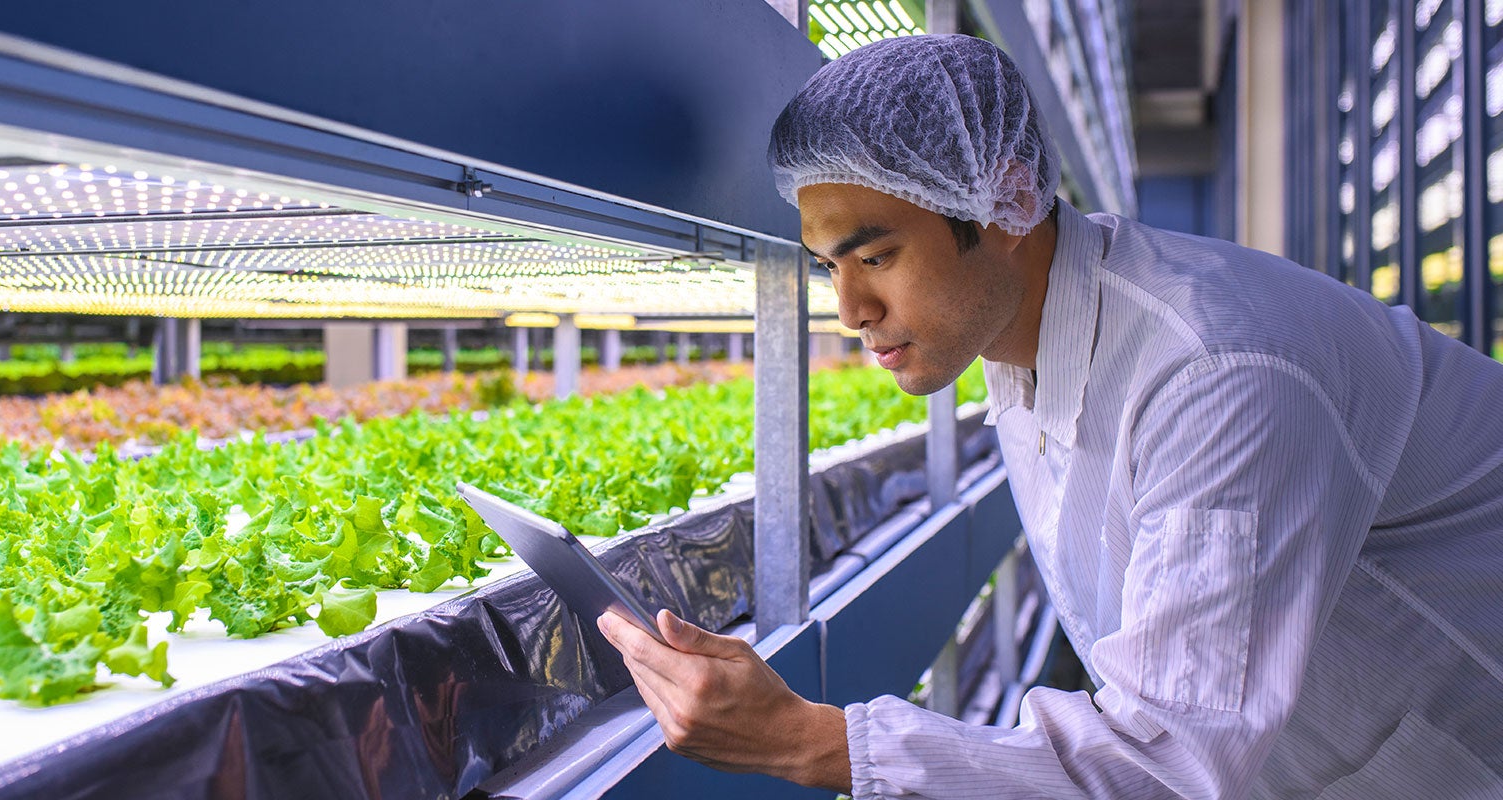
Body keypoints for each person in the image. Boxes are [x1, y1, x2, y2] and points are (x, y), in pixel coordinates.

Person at [598, 33, 1503, 798]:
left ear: (1007, 205)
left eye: (875, 255)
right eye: (828, 267)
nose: (850, 310)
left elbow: (1164, 759)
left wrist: (806, 739)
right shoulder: (1022, 342)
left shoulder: (1218, 373)